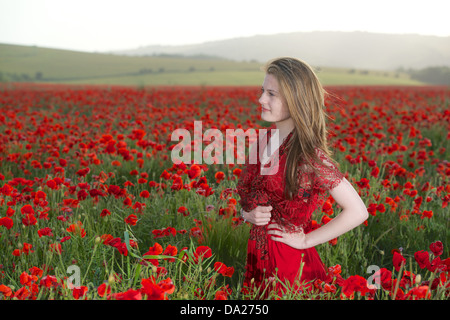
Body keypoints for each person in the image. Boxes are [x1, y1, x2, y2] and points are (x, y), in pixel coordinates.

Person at [236, 57, 368, 298]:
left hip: (289, 266)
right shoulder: (263, 141)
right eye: (262, 91)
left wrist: (306, 241)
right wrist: (248, 214)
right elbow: (249, 199)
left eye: (271, 94)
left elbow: (358, 211)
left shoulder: (309, 156)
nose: (261, 99)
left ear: (296, 99)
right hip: (257, 260)